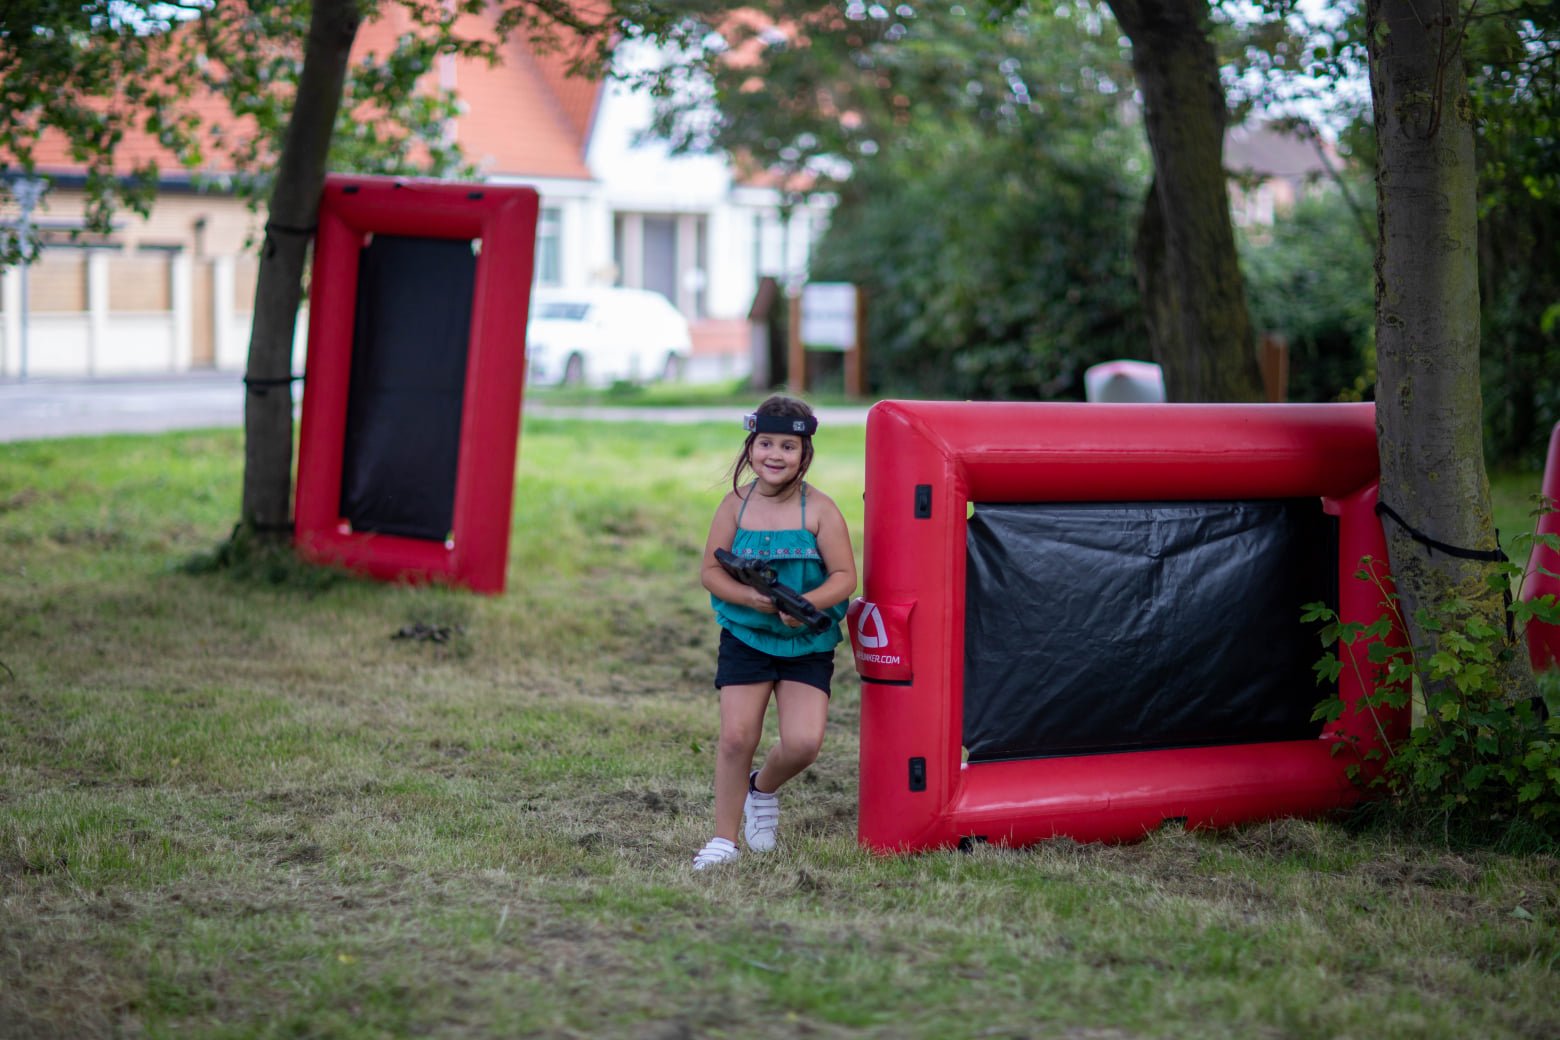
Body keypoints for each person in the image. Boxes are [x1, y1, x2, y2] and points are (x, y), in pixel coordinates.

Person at [692, 395, 857, 870]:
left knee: (805, 743)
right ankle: (723, 840)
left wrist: (806, 607)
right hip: (745, 635)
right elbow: (711, 570)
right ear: (750, 448)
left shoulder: (821, 511)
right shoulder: (735, 505)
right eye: (766, 443)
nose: (775, 455)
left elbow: (846, 577)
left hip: (806, 642)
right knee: (735, 738)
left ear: (805, 454)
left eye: (789, 445)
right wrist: (751, 599)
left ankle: (760, 790)